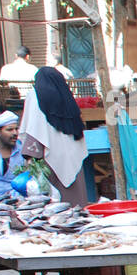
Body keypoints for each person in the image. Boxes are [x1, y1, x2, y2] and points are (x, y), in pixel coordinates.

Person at [20, 66, 89, 206]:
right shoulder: (66, 96)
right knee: (74, 200)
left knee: (51, 202)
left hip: (47, 154)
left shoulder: (34, 95)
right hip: (71, 153)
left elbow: (33, 127)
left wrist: (30, 155)